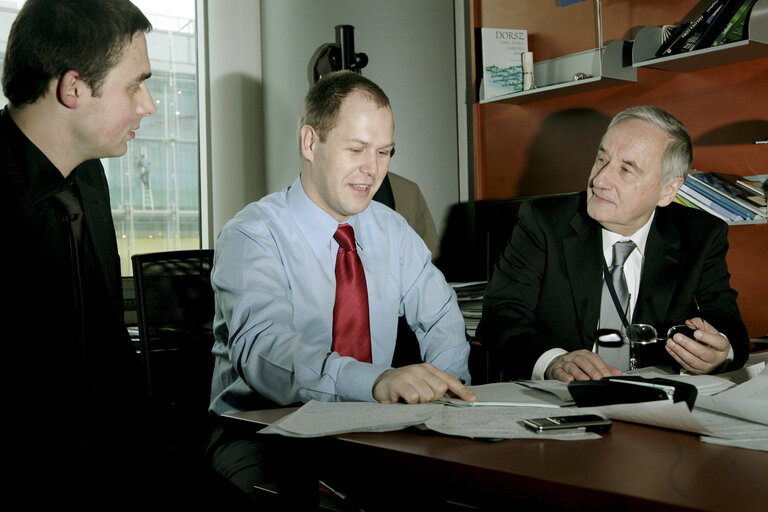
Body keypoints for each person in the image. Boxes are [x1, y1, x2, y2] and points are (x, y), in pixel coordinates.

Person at [207, 70, 475, 497]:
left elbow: (441, 317)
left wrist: (441, 391)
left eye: (384, 153)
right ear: (310, 143)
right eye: (356, 149)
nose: (373, 171)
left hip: (375, 428)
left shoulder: (392, 229)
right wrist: (372, 381)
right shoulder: (253, 234)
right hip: (265, 431)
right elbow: (267, 349)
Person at [0, 0, 156, 504]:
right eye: (135, 84)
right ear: (74, 88)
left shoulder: (89, 178)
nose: (148, 105)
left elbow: (110, 361)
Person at [477, 105, 749, 382]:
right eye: (601, 159)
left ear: (668, 190)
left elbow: (726, 322)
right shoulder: (544, 222)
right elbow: (500, 317)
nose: (599, 179)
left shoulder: (701, 235)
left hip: (655, 400)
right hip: (562, 398)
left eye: (626, 170)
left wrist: (720, 352)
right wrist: (553, 361)